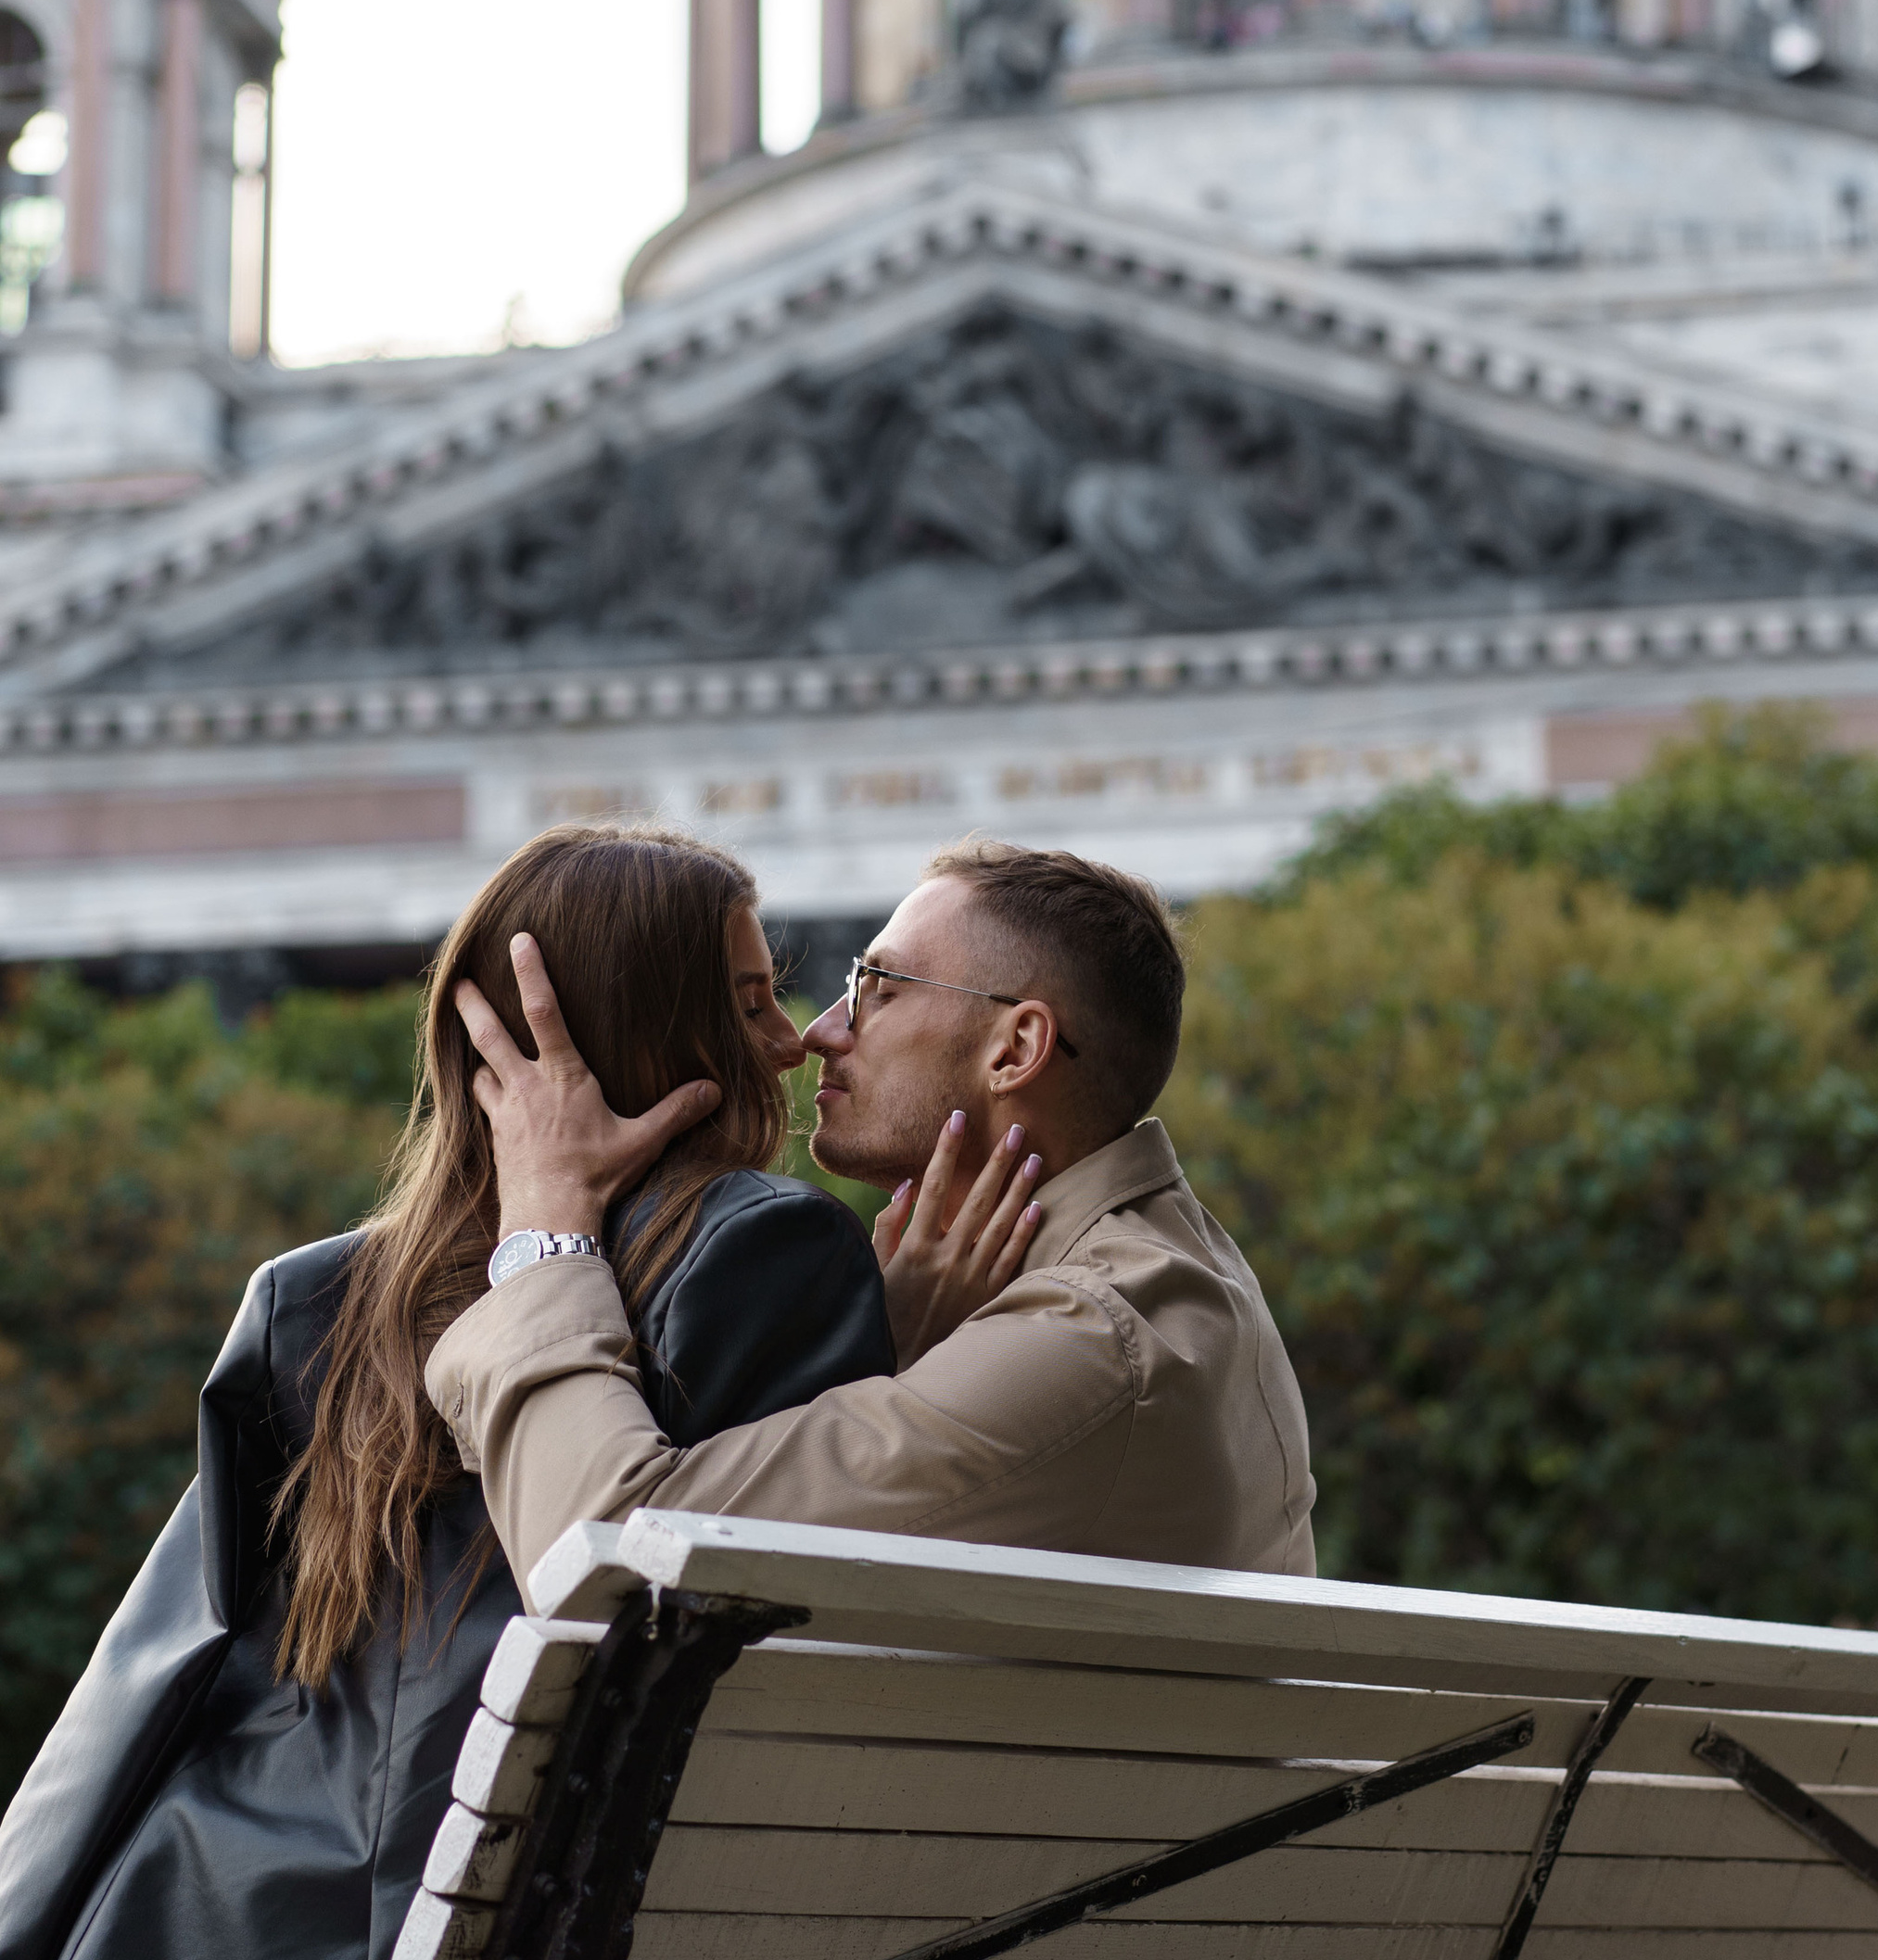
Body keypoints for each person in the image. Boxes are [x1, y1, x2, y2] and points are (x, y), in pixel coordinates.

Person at [0, 825, 947, 1960]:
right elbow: (771, 1645)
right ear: (636, 1040)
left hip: (198, 1894)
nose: (790, 1044)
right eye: (749, 1007)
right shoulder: (765, 1250)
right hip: (502, 1907)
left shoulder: (311, 1294)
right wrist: (924, 1336)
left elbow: (152, 1670)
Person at [429, 838, 1317, 1586]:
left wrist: (546, 1230)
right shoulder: (1160, 1271)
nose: (819, 1033)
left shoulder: (1090, 1339)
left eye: (878, 986)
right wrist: (885, 1354)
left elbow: (612, 1559)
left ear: (1015, 1049)